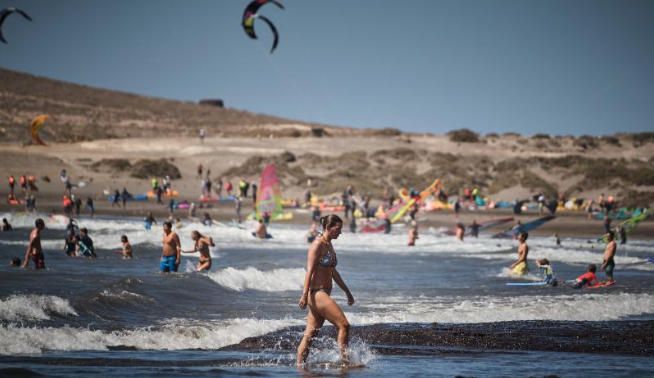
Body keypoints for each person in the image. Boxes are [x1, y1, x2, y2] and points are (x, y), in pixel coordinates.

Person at [297, 214, 354, 366]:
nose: (340, 232)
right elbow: (309, 271)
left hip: (323, 294)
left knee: (310, 334)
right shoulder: (317, 245)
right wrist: (304, 295)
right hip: (317, 294)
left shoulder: (329, 244)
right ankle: (345, 362)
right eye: (338, 229)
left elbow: (333, 272)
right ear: (328, 228)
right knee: (344, 325)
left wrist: (347, 291)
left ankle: (299, 366)